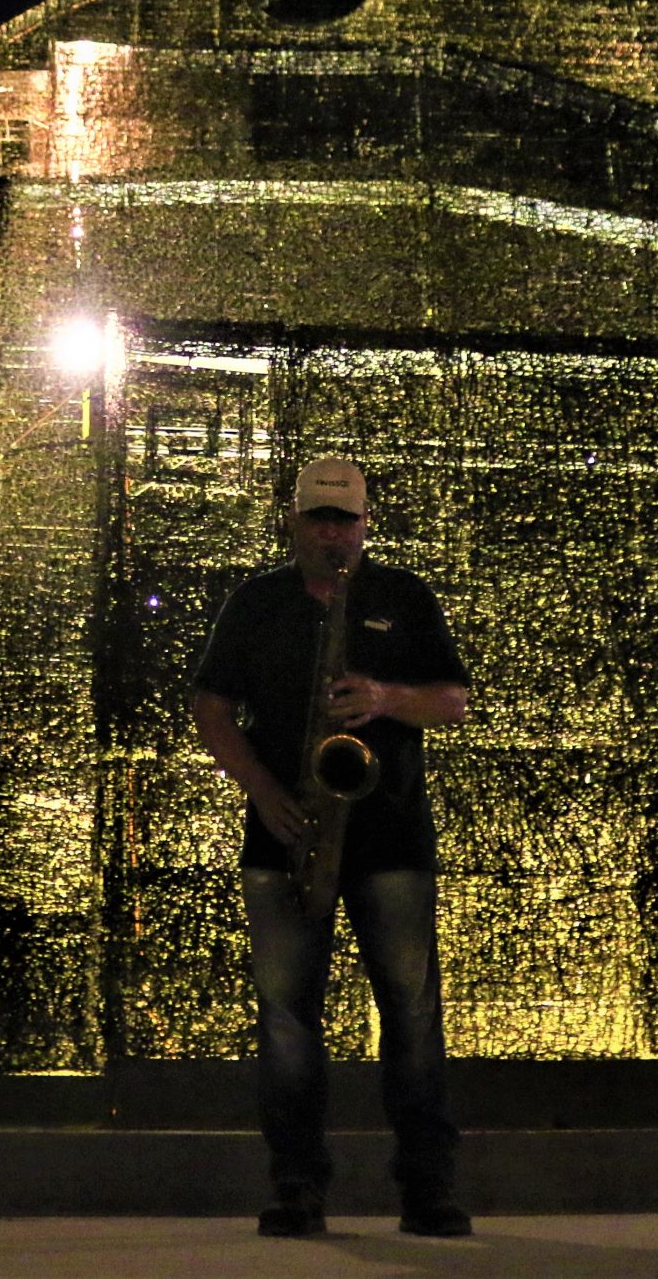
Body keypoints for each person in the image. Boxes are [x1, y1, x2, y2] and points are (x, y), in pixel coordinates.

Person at [188, 457, 474, 1238]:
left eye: (343, 520)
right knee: (286, 1020)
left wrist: (382, 697)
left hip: (390, 833)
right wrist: (262, 789)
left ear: (365, 524)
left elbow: (453, 699)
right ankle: (295, 1184)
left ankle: (427, 1186)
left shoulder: (402, 596)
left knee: (412, 1015)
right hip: (284, 833)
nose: (330, 532)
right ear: (293, 520)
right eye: (318, 517)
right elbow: (211, 709)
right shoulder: (257, 602)